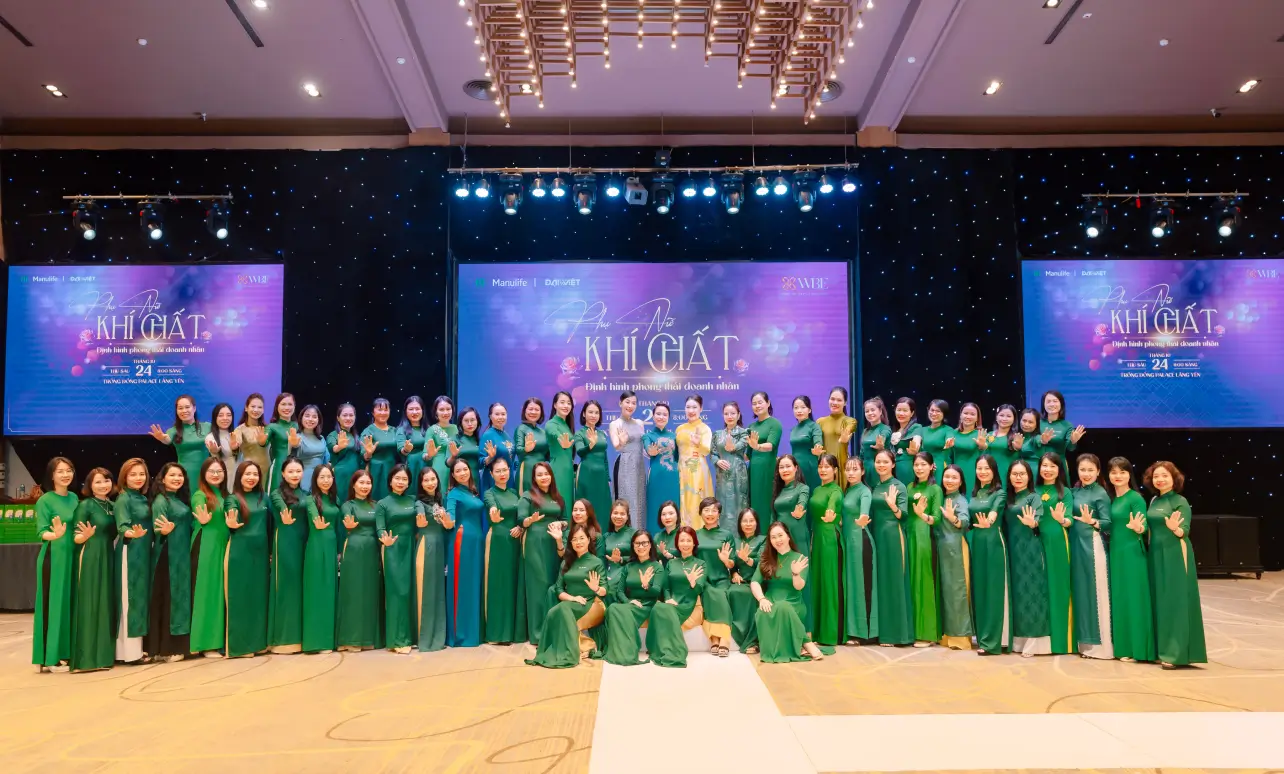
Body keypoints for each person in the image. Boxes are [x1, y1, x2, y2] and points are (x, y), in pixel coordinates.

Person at [1144, 461, 1206, 668]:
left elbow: (1184, 530)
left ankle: (1175, 654)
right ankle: (1160, 649)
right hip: (1155, 555)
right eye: (1156, 476)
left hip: (1175, 553)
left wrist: (1174, 528)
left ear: (1174, 479)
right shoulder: (1154, 500)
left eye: (1165, 476)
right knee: (1159, 601)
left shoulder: (1180, 501)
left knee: (1175, 601)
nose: (1160, 479)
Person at [525, 524, 608, 668]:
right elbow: (559, 589)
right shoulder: (566, 562)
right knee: (553, 612)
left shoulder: (596, 562)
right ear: (570, 543)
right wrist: (573, 598)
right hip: (573, 603)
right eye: (574, 539)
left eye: (581, 538)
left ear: (589, 540)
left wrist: (596, 588)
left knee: (563, 609)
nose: (578, 542)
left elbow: (605, 591)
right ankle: (582, 647)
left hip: (592, 603)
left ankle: (571, 653)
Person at [751, 522, 826, 662]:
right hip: (770, 601)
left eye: (780, 535)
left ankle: (806, 643)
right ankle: (800, 644)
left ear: (788, 536)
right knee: (762, 612)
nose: (777, 540)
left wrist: (796, 574)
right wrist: (761, 599)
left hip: (793, 603)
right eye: (773, 537)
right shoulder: (765, 559)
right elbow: (755, 582)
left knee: (783, 607)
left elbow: (799, 586)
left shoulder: (799, 558)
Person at [1106, 457, 1155, 663]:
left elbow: (1143, 527)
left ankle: (1139, 649)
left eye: (1122, 472)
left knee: (1135, 599)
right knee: (1120, 599)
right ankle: (1123, 647)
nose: (1118, 476)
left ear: (1129, 475)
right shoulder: (1111, 499)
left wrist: (1139, 527)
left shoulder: (1135, 498)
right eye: (1114, 472)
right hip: (1115, 553)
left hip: (1132, 552)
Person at [34, 457, 78, 671]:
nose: (65, 475)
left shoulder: (74, 498)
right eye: (60, 471)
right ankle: (49, 658)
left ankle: (65, 652)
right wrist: (56, 534)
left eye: (69, 470)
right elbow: (41, 531)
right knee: (53, 605)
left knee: (68, 605)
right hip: (54, 556)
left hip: (72, 556)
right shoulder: (45, 500)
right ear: (51, 475)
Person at [70, 467, 116, 672]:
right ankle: (85, 660)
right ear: (89, 485)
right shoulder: (86, 505)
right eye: (98, 482)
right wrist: (85, 536)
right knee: (89, 603)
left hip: (108, 555)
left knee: (105, 603)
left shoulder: (112, 505)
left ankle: (103, 657)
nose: (103, 485)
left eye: (107, 480)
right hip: (90, 555)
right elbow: (76, 536)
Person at [148, 462, 194, 662]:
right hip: (168, 554)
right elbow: (158, 528)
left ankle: (178, 646)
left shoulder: (179, 499)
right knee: (170, 599)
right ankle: (168, 648)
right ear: (163, 478)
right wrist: (163, 531)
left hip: (181, 555)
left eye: (180, 475)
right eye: (172, 475)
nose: (177, 479)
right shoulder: (162, 500)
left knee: (179, 598)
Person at [601, 530, 668, 666]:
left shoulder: (657, 567)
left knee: (617, 609)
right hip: (632, 603)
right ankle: (621, 651)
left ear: (650, 545)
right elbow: (620, 591)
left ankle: (627, 653)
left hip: (647, 605)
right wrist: (629, 601)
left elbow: (656, 592)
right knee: (613, 608)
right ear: (633, 545)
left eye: (644, 543)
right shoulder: (628, 566)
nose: (641, 546)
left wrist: (646, 585)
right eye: (637, 543)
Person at [225, 461, 270, 658]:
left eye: (255, 474)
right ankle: (240, 647)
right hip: (241, 552)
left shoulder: (264, 497)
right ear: (239, 477)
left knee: (258, 598)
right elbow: (231, 516)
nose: (251, 478)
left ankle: (258, 643)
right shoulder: (233, 498)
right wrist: (231, 523)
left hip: (261, 554)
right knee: (241, 598)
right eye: (247, 474)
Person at [1070, 454, 1113, 660]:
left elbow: (1108, 523)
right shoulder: (1074, 491)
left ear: (1098, 472)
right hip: (1076, 545)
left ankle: (1101, 647)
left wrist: (1093, 521)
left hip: (1093, 546)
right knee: (1081, 592)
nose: (1086, 474)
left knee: (1095, 592)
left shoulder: (1100, 493)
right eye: (1082, 470)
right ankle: (1084, 643)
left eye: (1090, 470)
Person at [1005, 460, 1050, 657]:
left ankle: (1034, 642)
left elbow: (1037, 521)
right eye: (1014, 474)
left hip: (1030, 550)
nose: (1018, 477)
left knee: (1032, 592)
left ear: (1029, 476)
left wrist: (1032, 523)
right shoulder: (1007, 498)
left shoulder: (1034, 497)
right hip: (1012, 550)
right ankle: (1017, 641)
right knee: (1017, 594)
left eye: (1022, 474)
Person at [968, 455, 1010, 655]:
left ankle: (993, 641)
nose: (983, 472)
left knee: (993, 591)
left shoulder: (999, 493)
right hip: (977, 543)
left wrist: (990, 521)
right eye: (979, 468)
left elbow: (994, 512)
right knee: (980, 590)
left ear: (994, 471)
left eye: (987, 468)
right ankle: (982, 637)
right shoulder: (976, 493)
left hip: (993, 542)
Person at [869, 449, 912, 646]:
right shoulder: (876, 486)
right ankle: (884, 633)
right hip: (878, 536)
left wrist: (893, 506)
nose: (881, 465)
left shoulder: (899, 486)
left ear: (893, 464)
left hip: (894, 536)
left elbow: (904, 515)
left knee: (895, 582)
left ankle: (899, 635)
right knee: (882, 583)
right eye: (878, 462)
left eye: (885, 462)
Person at [519, 462, 564, 645]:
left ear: (551, 475)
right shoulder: (527, 496)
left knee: (553, 585)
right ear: (534, 478)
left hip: (554, 544)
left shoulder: (557, 497)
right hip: (534, 544)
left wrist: (561, 524)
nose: (544, 477)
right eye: (539, 475)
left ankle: (553, 630)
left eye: (546, 474)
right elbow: (521, 520)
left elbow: (566, 519)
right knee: (538, 586)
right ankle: (538, 633)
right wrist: (530, 520)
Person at [1034, 452, 1075, 655]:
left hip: (1057, 542)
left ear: (1059, 470)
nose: (1048, 469)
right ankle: (1040, 640)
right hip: (1035, 542)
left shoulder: (1064, 492)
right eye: (1044, 465)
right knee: (1039, 589)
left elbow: (1069, 520)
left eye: (1052, 466)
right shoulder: (1033, 490)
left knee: (1058, 588)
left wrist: (1061, 519)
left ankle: (1061, 642)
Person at [337, 470, 381, 651]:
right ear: (353, 485)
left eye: (368, 483)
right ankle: (350, 639)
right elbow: (347, 522)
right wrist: (348, 526)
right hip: (354, 549)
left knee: (370, 592)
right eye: (361, 483)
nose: (365, 486)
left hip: (373, 550)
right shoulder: (348, 505)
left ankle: (369, 639)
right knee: (353, 593)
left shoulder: (376, 505)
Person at [189, 458, 230, 657]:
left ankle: (218, 641)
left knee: (220, 593)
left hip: (222, 545)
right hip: (206, 546)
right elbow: (199, 510)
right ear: (203, 474)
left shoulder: (224, 495)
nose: (215, 474)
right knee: (208, 593)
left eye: (219, 471)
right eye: (211, 471)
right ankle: (205, 644)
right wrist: (202, 517)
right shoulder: (200, 495)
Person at [376, 465, 418, 653]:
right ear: (390, 480)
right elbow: (380, 527)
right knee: (397, 593)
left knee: (411, 592)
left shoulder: (413, 500)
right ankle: (397, 640)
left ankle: (411, 636)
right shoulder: (383, 503)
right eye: (397, 478)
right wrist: (383, 538)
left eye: (404, 479)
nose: (401, 482)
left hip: (412, 548)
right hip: (393, 548)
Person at [483, 457, 524, 644]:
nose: (502, 474)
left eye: (505, 470)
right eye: (498, 471)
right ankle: (496, 633)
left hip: (515, 543)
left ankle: (512, 632)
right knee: (498, 585)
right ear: (491, 474)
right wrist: (493, 512)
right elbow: (491, 507)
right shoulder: (489, 493)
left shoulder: (514, 493)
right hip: (498, 541)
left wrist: (521, 527)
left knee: (512, 585)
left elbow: (521, 516)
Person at [268, 458, 308, 654]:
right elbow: (279, 505)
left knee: (300, 588)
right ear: (283, 474)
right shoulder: (277, 494)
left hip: (304, 543)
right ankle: (282, 639)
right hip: (285, 542)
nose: (295, 475)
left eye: (298, 471)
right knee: (286, 586)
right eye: (291, 471)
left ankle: (300, 638)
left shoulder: (306, 494)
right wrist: (285, 512)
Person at [114, 458, 151, 664]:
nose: (138, 478)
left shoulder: (142, 498)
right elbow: (122, 527)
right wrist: (132, 533)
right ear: (124, 477)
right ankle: (128, 653)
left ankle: (136, 650)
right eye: (133, 474)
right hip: (130, 551)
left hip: (143, 552)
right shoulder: (124, 499)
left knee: (139, 599)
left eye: (142, 474)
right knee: (130, 599)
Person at [446, 456, 485, 647]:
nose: (462, 473)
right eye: (458, 471)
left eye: (465, 469)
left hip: (477, 541)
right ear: (453, 475)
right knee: (463, 585)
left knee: (474, 584)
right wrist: (448, 520)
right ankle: (461, 634)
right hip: (463, 541)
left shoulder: (472, 492)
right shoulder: (453, 494)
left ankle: (475, 631)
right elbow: (450, 515)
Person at [302, 464, 341, 654]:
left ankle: (328, 640)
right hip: (317, 547)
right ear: (315, 479)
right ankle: (314, 642)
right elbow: (313, 514)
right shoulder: (310, 499)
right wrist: (316, 521)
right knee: (316, 592)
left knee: (330, 591)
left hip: (332, 546)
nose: (326, 480)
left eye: (329, 477)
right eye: (322, 477)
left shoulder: (335, 500)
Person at [905, 451, 942, 647]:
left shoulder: (935, 489)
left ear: (931, 466)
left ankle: (926, 633)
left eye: (923, 464)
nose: (919, 468)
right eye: (916, 464)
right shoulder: (909, 487)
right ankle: (910, 630)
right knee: (910, 582)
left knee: (923, 581)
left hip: (924, 537)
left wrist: (922, 515)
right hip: (908, 535)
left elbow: (937, 519)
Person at [692, 497, 736, 657]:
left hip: (721, 578)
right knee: (709, 593)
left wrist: (726, 561)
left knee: (719, 594)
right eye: (706, 510)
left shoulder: (727, 535)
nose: (710, 514)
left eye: (714, 510)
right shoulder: (695, 535)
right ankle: (715, 638)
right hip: (703, 579)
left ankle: (721, 639)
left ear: (719, 514)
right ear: (700, 513)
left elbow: (732, 563)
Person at [808, 454, 845, 645]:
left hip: (829, 537)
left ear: (835, 470)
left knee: (829, 582)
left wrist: (831, 514)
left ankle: (830, 634)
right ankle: (817, 631)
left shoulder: (836, 491)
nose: (823, 470)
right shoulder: (816, 489)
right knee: (818, 581)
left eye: (827, 466)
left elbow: (833, 506)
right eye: (820, 466)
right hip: (817, 536)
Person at [840, 457, 877, 645]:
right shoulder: (847, 491)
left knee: (862, 587)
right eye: (848, 469)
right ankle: (852, 630)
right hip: (849, 542)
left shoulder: (864, 491)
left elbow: (864, 511)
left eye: (855, 469)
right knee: (852, 586)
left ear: (863, 472)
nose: (850, 473)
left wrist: (863, 517)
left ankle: (866, 634)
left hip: (860, 542)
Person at [936, 464, 973, 650]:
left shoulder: (960, 500)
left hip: (956, 549)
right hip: (942, 549)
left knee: (957, 592)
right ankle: (947, 634)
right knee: (945, 594)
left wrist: (954, 519)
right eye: (947, 477)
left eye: (954, 477)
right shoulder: (941, 498)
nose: (949, 481)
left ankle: (960, 637)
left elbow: (965, 521)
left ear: (960, 481)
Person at [147, 394, 211, 497]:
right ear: (177, 411)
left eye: (187, 407)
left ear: (194, 408)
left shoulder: (207, 427)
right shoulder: (174, 430)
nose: (184, 411)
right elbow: (167, 440)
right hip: (185, 473)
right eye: (180, 408)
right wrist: (162, 438)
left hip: (207, 472)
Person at [414, 467, 449, 652]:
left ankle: (438, 634)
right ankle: (425, 636)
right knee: (425, 590)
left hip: (439, 546)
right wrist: (420, 522)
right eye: (426, 480)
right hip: (426, 546)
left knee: (437, 590)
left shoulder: (440, 501)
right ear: (421, 484)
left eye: (433, 479)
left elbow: (447, 524)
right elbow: (419, 517)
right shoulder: (419, 503)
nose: (430, 483)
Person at [728, 507, 767, 653]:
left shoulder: (763, 540)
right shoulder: (735, 541)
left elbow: (763, 562)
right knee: (731, 592)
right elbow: (732, 563)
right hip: (741, 581)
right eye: (745, 521)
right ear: (740, 523)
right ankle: (737, 637)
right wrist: (734, 574)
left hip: (758, 582)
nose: (748, 524)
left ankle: (753, 641)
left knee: (751, 596)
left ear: (757, 523)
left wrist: (747, 559)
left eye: (752, 520)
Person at [676, 395, 715, 526]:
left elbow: (706, 451)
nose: (691, 410)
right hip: (681, 470)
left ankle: (699, 532)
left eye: (694, 407)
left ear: (701, 409)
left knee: (696, 501)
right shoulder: (680, 428)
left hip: (697, 469)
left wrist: (698, 444)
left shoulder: (704, 429)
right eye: (688, 407)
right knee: (683, 502)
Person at [711, 401, 749, 529]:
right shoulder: (717, 434)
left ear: (738, 415)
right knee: (723, 504)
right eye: (726, 413)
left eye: (732, 413)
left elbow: (741, 445)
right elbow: (713, 454)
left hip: (739, 474)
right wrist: (717, 461)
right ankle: (723, 534)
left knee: (739, 503)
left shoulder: (744, 433)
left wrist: (732, 447)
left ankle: (740, 535)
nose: (729, 416)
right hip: (722, 475)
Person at [746, 391, 784, 520]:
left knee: (767, 503)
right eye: (754, 403)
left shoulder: (775, 424)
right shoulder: (751, 427)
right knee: (754, 503)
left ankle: (768, 530)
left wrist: (757, 446)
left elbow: (771, 445)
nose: (757, 406)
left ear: (768, 403)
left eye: (760, 402)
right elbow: (747, 455)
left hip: (768, 469)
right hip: (753, 471)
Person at [643, 402, 680, 531]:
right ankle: (654, 538)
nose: (661, 417)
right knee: (655, 508)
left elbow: (678, 457)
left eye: (665, 414)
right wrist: (651, 451)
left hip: (673, 478)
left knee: (674, 507)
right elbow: (648, 449)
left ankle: (674, 538)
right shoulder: (647, 436)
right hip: (656, 477)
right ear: (653, 416)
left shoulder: (674, 436)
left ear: (668, 417)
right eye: (658, 414)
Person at [574, 400, 613, 519]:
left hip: (601, 476)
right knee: (586, 505)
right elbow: (580, 452)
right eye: (590, 412)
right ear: (584, 414)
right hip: (586, 473)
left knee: (603, 507)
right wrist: (590, 445)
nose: (593, 415)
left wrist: (608, 477)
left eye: (596, 413)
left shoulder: (601, 434)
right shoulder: (580, 433)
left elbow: (604, 457)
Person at [1040, 390, 1086, 478]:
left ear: (1061, 404)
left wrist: (1073, 441)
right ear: (1043, 405)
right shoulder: (1038, 423)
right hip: (1041, 465)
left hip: (1058, 465)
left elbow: (1070, 448)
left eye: (1055, 401)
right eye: (1048, 401)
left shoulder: (1067, 425)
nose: (1052, 404)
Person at [818, 387, 858, 487]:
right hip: (825, 467)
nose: (835, 402)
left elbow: (848, 430)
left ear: (845, 403)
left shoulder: (850, 421)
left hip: (842, 465)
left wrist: (842, 440)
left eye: (839, 400)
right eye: (832, 399)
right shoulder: (820, 422)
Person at [772, 455, 812, 556]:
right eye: (781, 467)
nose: (785, 470)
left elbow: (803, 501)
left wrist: (800, 508)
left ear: (795, 468)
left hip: (797, 536)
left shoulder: (803, 488)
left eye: (788, 466)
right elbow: (773, 516)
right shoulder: (778, 490)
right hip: (780, 539)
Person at [546, 391, 577, 519]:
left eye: (569, 403)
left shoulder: (567, 425)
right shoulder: (551, 423)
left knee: (568, 504)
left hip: (568, 470)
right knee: (560, 503)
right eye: (562, 402)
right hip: (558, 469)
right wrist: (562, 441)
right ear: (555, 405)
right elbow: (554, 433)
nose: (566, 406)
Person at [362, 398, 399, 501]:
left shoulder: (394, 430)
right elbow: (363, 455)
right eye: (379, 410)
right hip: (376, 470)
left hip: (392, 469)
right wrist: (368, 454)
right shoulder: (368, 431)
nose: (383, 413)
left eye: (386, 410)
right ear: (373, 412)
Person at [425, 395, 459, 501]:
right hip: (440, 467)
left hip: (457, 468)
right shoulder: (432, 430)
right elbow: (424, 455)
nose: (445, 412)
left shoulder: (457, 428)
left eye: (448, 409)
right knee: (441, 497)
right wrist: (429, 455)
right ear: (436, 412)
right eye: (441, 409)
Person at [327, 403, 363, 503]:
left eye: (351, 415)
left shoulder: (356, 436)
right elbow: (333, 448)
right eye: (345, 415)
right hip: (340, 475)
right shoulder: (333, 435)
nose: (348, 418)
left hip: (355, 475)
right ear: (338, 418)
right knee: (341, 502)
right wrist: (339, 447)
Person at [265, 392, 301, 491]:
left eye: (290, 404)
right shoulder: (272, 427)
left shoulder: (299, 426)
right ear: (277, 406)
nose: (287, 407)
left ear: (294, 406)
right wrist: (261, 440)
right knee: (275, 495)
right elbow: (263, 442)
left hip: (296, 469)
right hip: (278, 467)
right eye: (283, 404)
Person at [514, 397, 549, 495]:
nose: (533, 412)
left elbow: (548, 454)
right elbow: (518, 450)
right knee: (527, 500)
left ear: (541, 412)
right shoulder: (521, 429)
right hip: (527, 470)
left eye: (537, 409)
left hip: (542, 473)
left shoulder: (543, 432)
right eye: (530, 409)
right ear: (524, 411)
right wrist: (526, 449)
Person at [789, 396, 825, 490]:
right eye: (796, 408)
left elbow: (818, 441)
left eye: (803, 407)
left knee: (810, 493)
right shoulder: (793, 429)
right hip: (795, 469)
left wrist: (818, 447)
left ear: (809, 410)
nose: (799, 410)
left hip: (810, 468)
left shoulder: (814, 426)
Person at [977, 404, 1018, 485]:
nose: (1004, 419)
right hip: (989, 473)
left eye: (1008, 416)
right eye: (1001, 415)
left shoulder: (1016, 437)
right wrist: (982, 446)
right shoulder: (989, 435)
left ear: (1014, 419)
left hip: (1007, 474)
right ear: (996, 417)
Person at [600, 500, 637, 591]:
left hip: (628, 572)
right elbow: (601, 560)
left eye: (622, 514)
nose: (618, 516)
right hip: (609, 574)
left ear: (627, 517)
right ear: (611, 515)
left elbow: (640, 557)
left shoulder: (634, 534)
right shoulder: (606, 536)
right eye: (615, 513)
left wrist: (621, 559)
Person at [480, 402, 514, 495]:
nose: (500, 417)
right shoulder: (488, 435)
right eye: (497, 414)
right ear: (490, 416)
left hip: (508, 478)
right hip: (493, 481)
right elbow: (480, 461)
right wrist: (490, 457)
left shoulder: (506, 435)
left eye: (503, 414)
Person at [396, 395, 430, 489]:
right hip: (411, 468)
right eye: (411, 409)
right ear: (405, 411)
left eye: (417, 409)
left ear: (423, 411)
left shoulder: (429, 429)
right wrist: (406, 449)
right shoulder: (401, 430)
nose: (414, 412)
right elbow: (401, 450)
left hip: (428, 467)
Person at [859, 397, 893, 487]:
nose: (870, 413)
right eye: (867, 411)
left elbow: (883, 436)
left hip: (879, 469)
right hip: (865, 470)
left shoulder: (885, 428)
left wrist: (881, 444)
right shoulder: (865, 431)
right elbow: (861, 453)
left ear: (880, 411)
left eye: (872, 410)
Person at [296, 405, 329, 492]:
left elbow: (326, 460)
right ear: (301, 418)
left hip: (321, 479)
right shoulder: (296, 437)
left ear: (318, 420)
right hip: (303, 479)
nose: (310, 419)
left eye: (314, 417)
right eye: (307, 416)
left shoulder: (321, 438)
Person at [952, 403, 983, 495]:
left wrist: (982, 446)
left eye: (972, 414)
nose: (968, 416)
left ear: (977, 418)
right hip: (954, 473)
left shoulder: (981, 434)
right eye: (965, 413)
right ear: (960, 415)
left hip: (973, 473)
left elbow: (985, 453)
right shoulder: (953, 433)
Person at [234, 393, 270, 472]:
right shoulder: (240, 429)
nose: (256, 410)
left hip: (268, 471)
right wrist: (235, 447)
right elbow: (235, 448)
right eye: (253, 406)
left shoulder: (268, 428)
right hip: (250, 472)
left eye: (259, 407)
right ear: (246, 408)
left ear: (263, 410)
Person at [890, 398, 923, 484]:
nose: (901, 413)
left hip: (909, 468)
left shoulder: (916, 427)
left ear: (912, 413)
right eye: (899, 410)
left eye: (905, 410)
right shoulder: (894, 430)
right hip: (894, 469)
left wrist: (915, 449)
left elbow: (916, 441)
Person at [204, 402, 240, 474]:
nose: (225, 418)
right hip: (223, 475)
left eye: (229, 415)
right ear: (215, 418)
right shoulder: (210, 438)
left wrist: (235, 449)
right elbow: (215, 462)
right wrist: (214, 453)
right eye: (220, 415)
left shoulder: (236, 433)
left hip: (239, 474)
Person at [455, 407, 484, 490]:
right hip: (460, 481)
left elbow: (482, 464)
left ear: (477, 421)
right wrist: (453, 456)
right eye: (466, 421)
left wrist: (490, 457)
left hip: (477, 480)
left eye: (472, 420)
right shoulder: (455, 439)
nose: (470, 423)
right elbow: (448, 463)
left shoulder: (479, 440)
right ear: (460, 422)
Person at [652, 500, 681, 565]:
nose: (667, 517)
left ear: (677, 515)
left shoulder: (683, 535)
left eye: (671, 513)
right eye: (664, 514)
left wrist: (670, 556)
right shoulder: (657, 537)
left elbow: (688, 561)